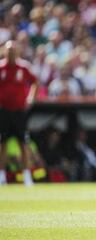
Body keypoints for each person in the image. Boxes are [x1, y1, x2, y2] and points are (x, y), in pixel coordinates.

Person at [0, 40, 39, 186]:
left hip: (18, 112)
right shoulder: (1, 68)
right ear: (4, 52)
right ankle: (2, 176)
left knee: (23, 144)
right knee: (2, 144)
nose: (10, 53)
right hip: (3, 111)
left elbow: (35, 82)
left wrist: (31, 98)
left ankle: (27, 176)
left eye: (13, 51)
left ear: (17, 53)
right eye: (8, 51)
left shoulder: (23, 68)